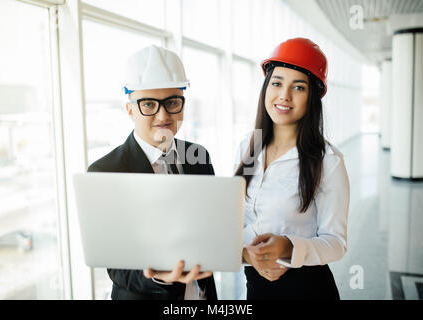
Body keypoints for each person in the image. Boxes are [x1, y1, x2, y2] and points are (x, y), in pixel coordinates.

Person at [88, 45, 217, 300]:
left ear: (182, 104)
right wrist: (159, 275)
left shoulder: (199, 156)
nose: (163, 115)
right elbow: (116, 267)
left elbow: (211, 230)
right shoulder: (106, 171)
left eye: (171, 102)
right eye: (149, 104)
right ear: (130, 110)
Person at [234, 38, 350, 299]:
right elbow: (236, 222)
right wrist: (245, 254)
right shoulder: (247, 148)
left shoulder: (328, 161)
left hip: (306, 289)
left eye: (298, 87)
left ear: (312, 97)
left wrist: (288, 247)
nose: (284, 95)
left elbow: (337, 243)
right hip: (255, 285)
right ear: (266, 88)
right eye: (277, 83)